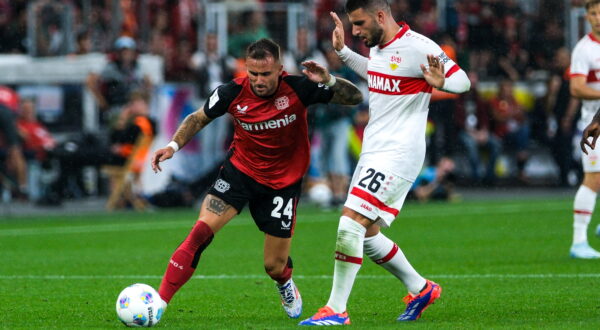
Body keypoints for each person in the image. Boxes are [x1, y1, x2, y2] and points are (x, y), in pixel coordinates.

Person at [150, 38, 362, 321]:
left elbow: (355, 98)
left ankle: (285, 282)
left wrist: (330, 81)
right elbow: (198, 118)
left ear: (280, 70)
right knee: (200, 232)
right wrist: (172, 146)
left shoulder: (300, 87)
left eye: (265, 74)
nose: (259, 81)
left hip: (282, 184)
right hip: (240, 174)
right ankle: (159, 303)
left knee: (273, 266)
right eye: (253, 74)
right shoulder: (231, 92)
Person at [300, 1, 470, 325]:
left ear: (380, 16)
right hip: (374, 151)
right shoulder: (379, 47)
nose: (356, 32)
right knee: (366, 234)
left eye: (360, 24)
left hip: (399, 153)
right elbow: (377, 72)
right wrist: (343, 55)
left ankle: (336, 309)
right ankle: (421, 288)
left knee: (350, 223)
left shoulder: (419, 47)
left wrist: (440, 82)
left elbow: (463, 81)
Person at [568, 0, 600, 259]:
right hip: (594, 125)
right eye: (593, 13)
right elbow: (576, 88)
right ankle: (578, 242)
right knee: (594, 179)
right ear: (586, 17)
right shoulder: (584, 49)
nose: (598, 17)